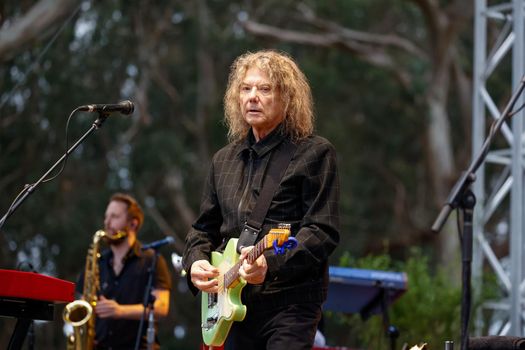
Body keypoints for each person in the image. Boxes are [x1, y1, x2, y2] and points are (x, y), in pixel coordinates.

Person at [182, 50, 340, 349]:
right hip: (233, 308)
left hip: (290, 305)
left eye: (264, 89)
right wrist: (196, 263)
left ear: (288, 98)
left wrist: (271, 261)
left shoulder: (314, 153)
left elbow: (322, 231)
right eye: (246, 88)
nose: (252, 97)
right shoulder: (223, 160)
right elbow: (202, 230)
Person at [74, 193, 172, 349]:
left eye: (114, 217)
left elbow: (161, 308)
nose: (107, 223)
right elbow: (80, 306)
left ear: (133, 224)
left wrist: (120, 311)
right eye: (106, 217)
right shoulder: (97, 263)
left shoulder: (152, 259)